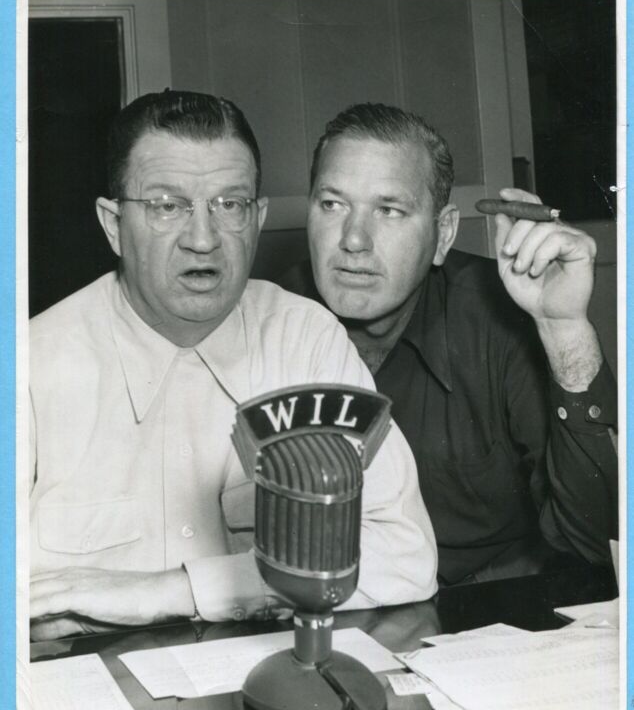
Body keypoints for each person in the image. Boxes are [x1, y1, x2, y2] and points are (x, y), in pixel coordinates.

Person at [29, 91, 438, 641]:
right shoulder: (30, 366)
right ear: (111, 224)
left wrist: (173, 592)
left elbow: (404, 554)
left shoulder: (305, 339)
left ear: (259, 217)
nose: (203, 239)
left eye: (230, 204)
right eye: (167, 205)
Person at [281, 102, 618, 585]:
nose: (353, 240)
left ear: (443, 234)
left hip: (485, 619)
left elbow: (601, 544)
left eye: (390, 210)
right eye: (332, 205)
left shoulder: (499, 317)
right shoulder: (270, 321)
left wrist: (563, 328)